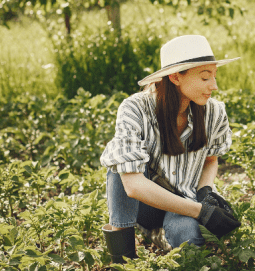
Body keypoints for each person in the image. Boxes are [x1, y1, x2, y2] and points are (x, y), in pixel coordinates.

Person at [99, 35, 242, 263]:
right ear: (175, 77)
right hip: (145, 205)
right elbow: (133, 186)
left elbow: (210, 160)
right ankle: (121, 258)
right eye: (205, 77)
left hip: (185, 199)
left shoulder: (214, 112)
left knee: (187, 237)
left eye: (214, 76)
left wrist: (204, 193)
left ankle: (160, 236)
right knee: (119, 166)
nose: (214, 86)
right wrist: (200, 212)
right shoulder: (135, 109)